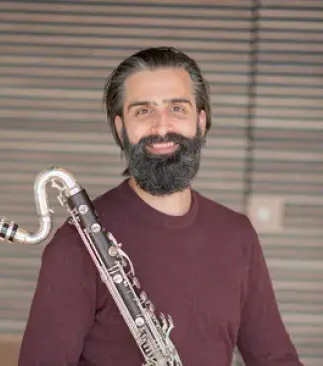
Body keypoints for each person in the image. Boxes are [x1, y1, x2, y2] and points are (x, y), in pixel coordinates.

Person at [17, 47, 303, 365]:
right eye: (143, 111)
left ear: (201, 120)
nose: (161, 127)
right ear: (121, 127)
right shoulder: (77, 243)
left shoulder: (237, 234)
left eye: (177, 108)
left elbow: (275, 358)